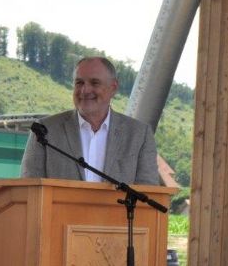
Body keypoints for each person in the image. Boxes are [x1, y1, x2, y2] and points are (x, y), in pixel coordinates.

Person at [20, 56, 160, 185]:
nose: (85, 90)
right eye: (79, 83)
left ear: (113, 88)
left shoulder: (139, 134)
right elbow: (29, 190)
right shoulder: (45, 131)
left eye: (94, 83)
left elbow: (149, 192)